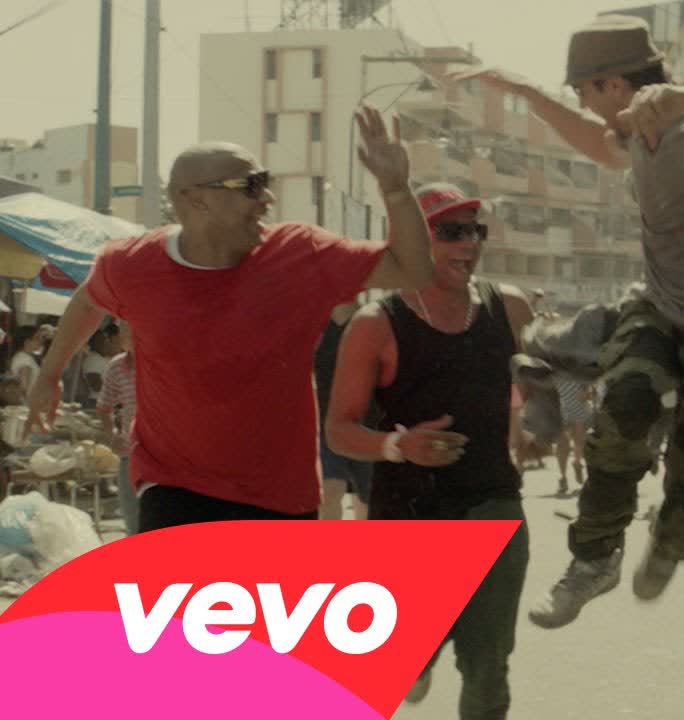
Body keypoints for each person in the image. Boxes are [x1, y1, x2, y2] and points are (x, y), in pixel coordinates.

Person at [458, 14, 684, 627]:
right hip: (661, 310)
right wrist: (522, 89)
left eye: (584, 91)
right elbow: (594, 143)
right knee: (622, 413)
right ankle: (594, 559)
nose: (583, 103)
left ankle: (671, 541)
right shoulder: (633, 141)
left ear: (614, 85)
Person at [25, 106, 436, 531]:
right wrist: (49, 374)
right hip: (174, 488)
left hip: (280, 499)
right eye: (251, 185)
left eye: (266, 182)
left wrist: (396, 189)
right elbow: (88, 300)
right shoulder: (131, 265)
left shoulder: (302, 253)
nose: (267, 198)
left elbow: (413, 271)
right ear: (196, 199)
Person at [325, 182, 533, 717]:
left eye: (475, 231)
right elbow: (339, 430)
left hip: (493, 503)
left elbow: (538, 384)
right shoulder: (376, 325)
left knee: (488, 664)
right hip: (408, 517)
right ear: (411, 240)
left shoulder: (509, 307)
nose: (469, 244)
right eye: (451, 232)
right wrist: (400, 445)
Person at [315, 302, 373, 521]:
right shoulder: (316, 325)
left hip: (366, 425)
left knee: (365, 501)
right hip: (328, 426)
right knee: (330, 492)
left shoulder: (371, 322)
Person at [96, 321, 138, 535]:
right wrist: (112, 435)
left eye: (131, 327)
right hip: (131, 454)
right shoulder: (116, 366)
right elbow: (104, 407)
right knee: (133, 522)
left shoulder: (163, 363)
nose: (126, 334)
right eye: (123, 329)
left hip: (166, 456)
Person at [553, 375, 593, 495]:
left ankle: (577, 463)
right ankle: (562, 477)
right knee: (562, 444)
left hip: (578, 404)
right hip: (558, 406)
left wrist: (586, 390)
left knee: (579, 441)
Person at [8, 325, 47, 398]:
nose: (41, 341)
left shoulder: (23, 357)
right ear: (27, 342)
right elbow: (24, 388)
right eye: (37, 338)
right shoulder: (25, 359)